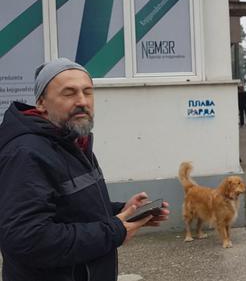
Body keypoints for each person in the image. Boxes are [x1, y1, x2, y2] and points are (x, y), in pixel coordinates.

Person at [0, 58, 169, 281]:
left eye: (88, 92)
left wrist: (121, 211)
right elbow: (28, 239)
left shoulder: (74, 141)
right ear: (41, 102)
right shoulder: (26, 153)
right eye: (69, 93)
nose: (82, 101)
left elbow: (71, 209)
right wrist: (114, 230)